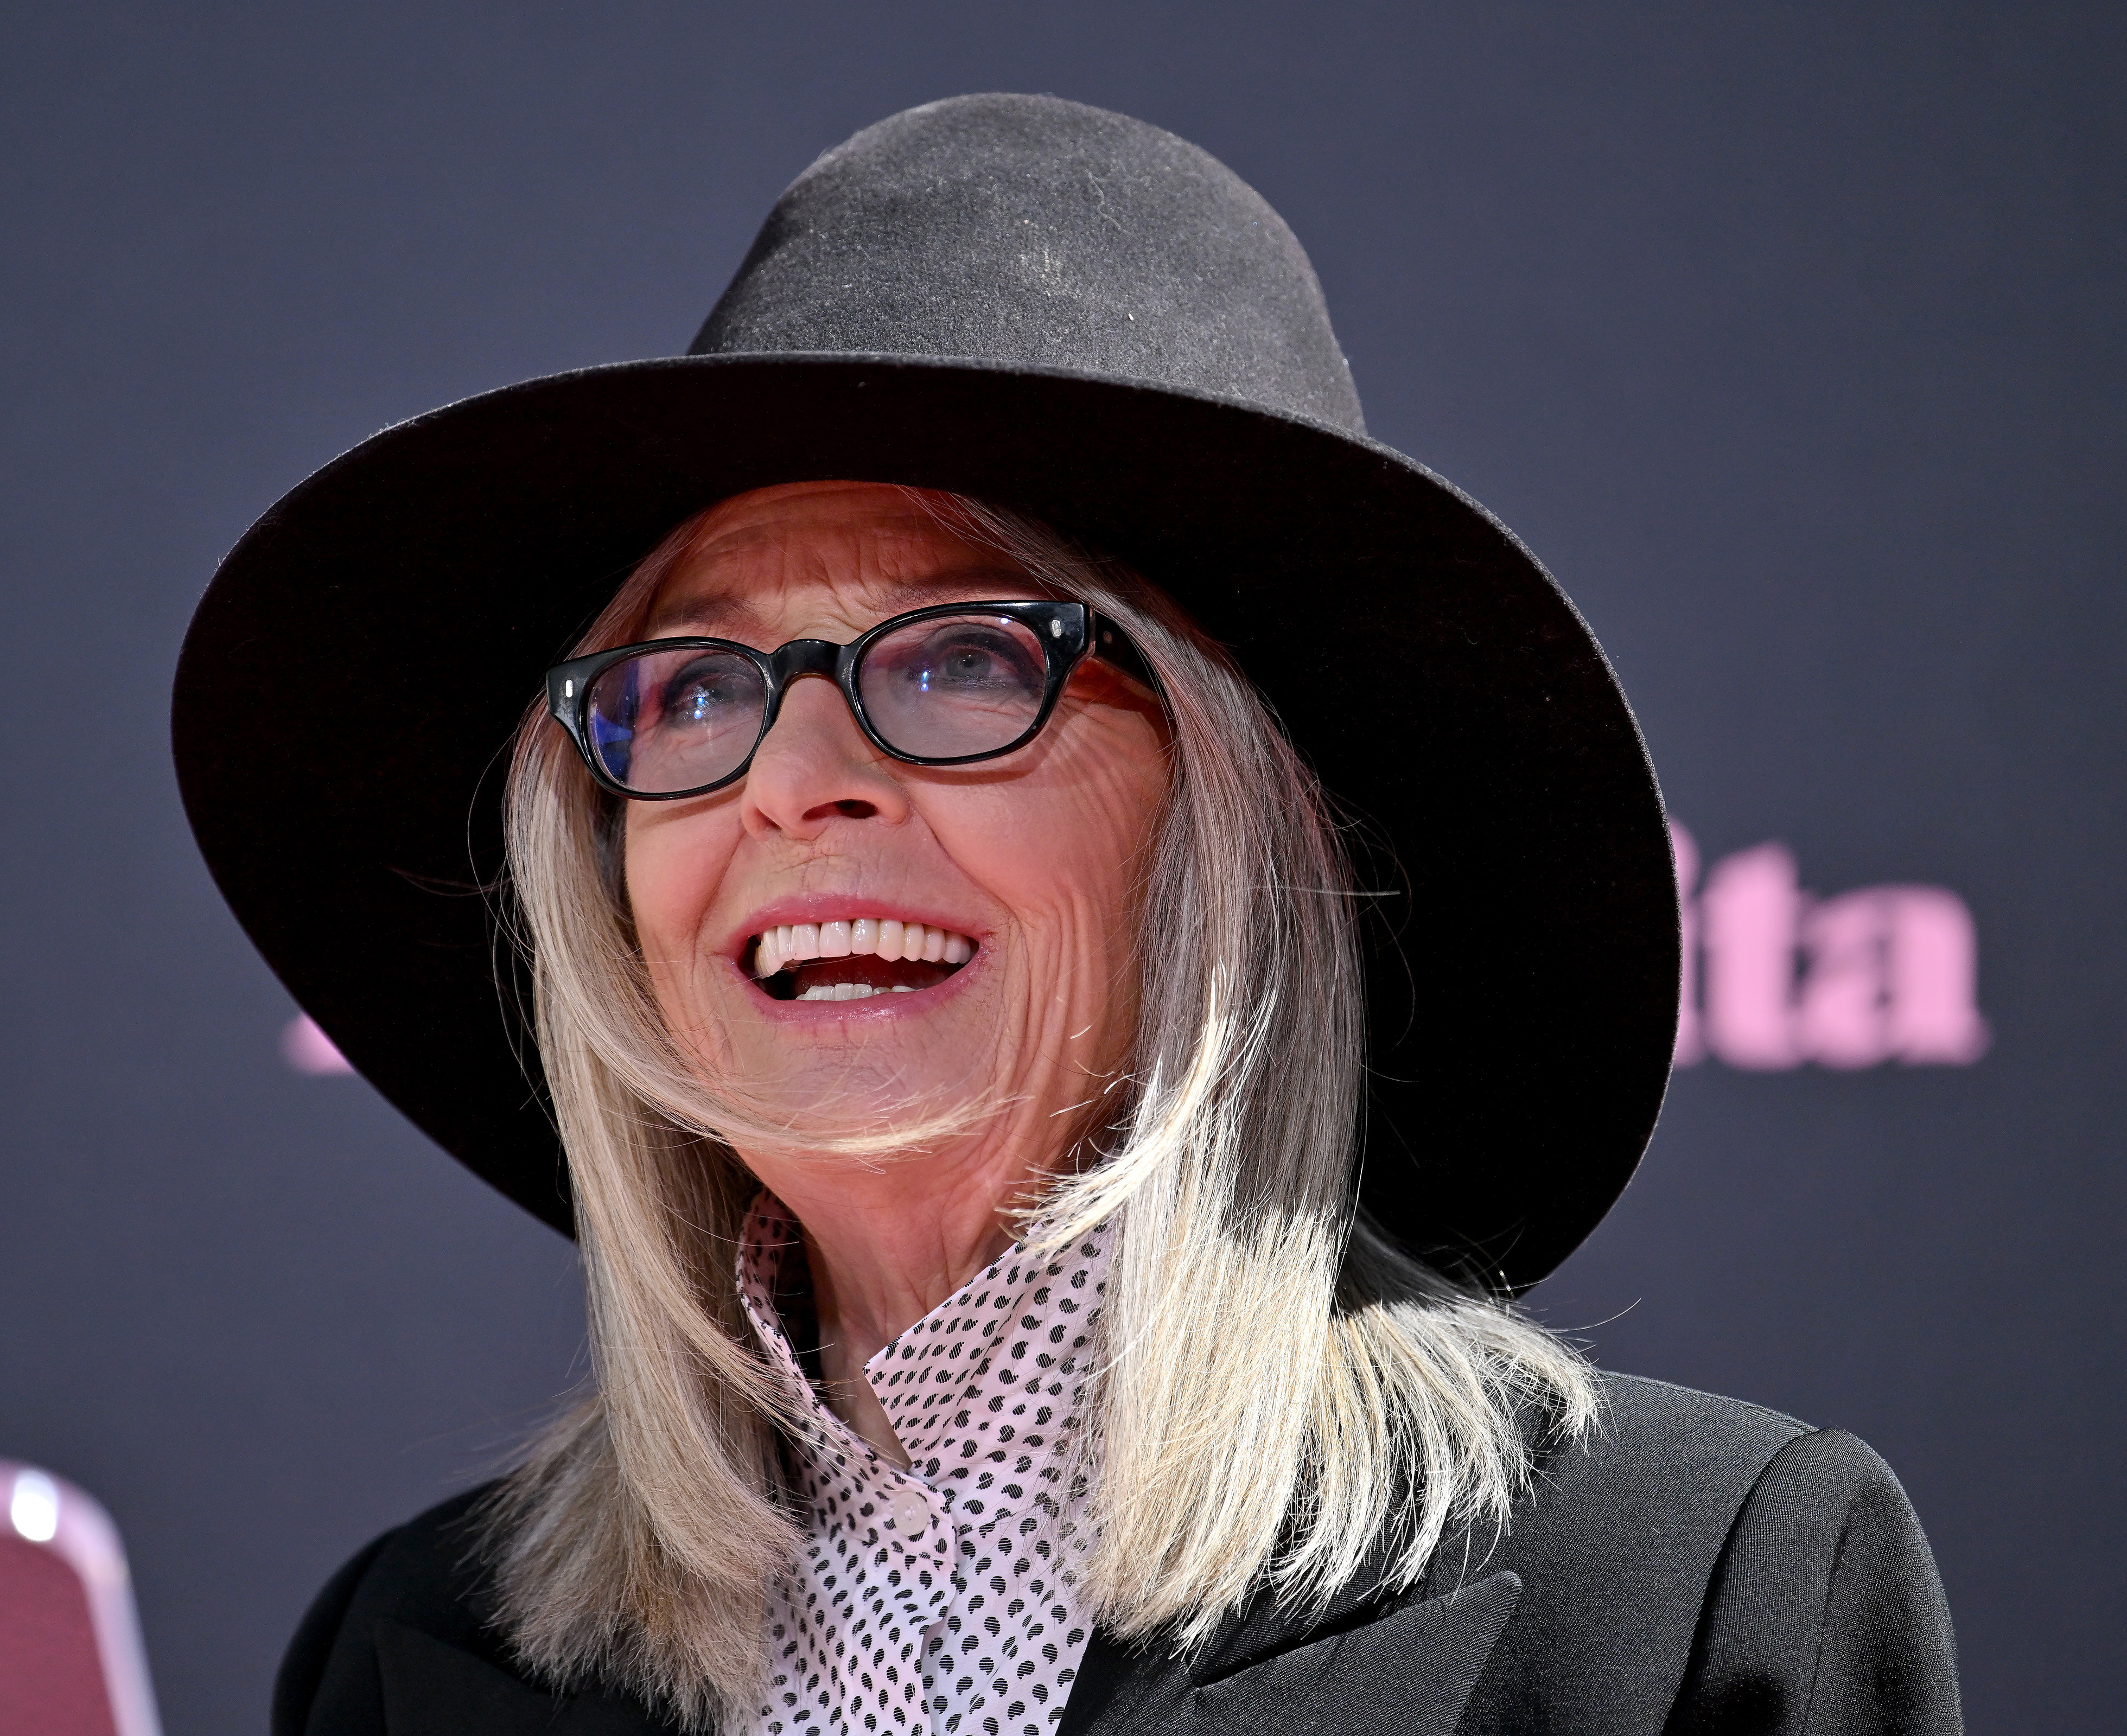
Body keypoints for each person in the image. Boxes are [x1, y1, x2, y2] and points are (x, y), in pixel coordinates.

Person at [176, 94, 1960, 1736]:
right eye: (697, 689)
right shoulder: (412, 1654)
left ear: (1236, 819)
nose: (792, 781)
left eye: (960, 658)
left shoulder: (1689, 1603)